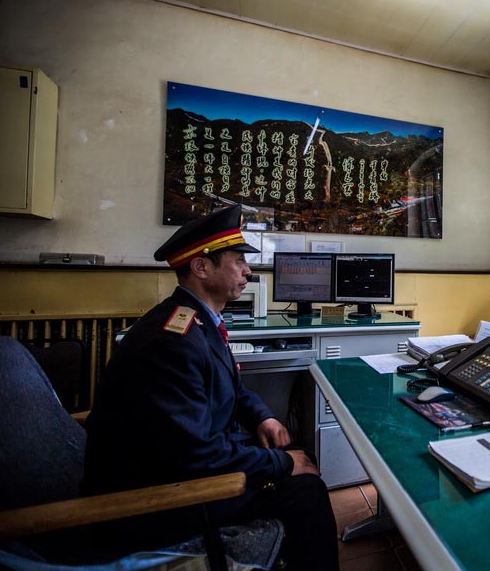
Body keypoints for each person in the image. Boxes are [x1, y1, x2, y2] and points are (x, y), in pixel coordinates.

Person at [83, 204, 339, 570]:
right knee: (307, 490)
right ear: (201, 267)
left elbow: (231, 390)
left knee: (295, 463)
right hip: (159, 501)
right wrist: (280, 463)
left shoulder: (196, 321)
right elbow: (194, 456)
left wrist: (263, 416)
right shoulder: (172, 343)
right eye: (238, 261)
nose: (248, 271)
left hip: (179, 467)